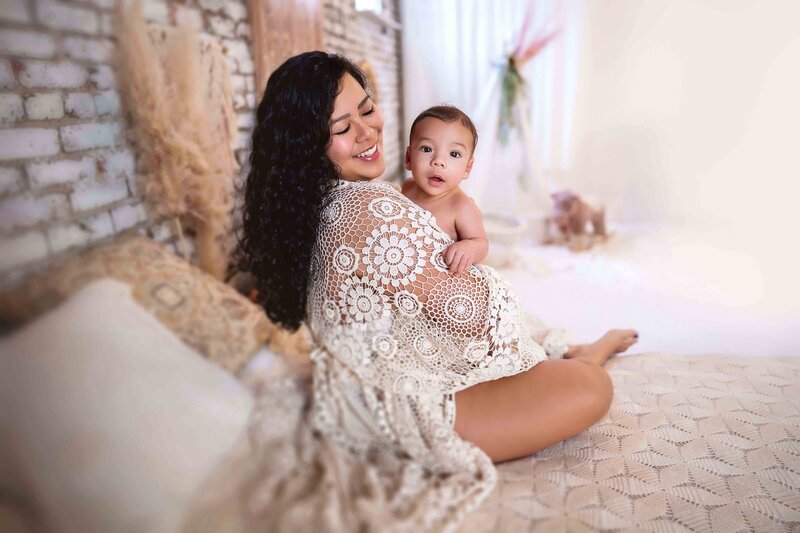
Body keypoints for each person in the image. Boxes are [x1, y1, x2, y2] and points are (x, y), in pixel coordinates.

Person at [223, 51, 639, 531]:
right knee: (589, 388)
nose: (366, 131)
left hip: (363, 384)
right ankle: (586, 357)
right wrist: (472, 281)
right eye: (341, 127)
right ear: (308, 144)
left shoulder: (315, 204)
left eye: (366, 108)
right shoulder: (367, 206)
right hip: (396, 403)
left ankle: (570, 349)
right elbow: (466, 315)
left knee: (529, 345)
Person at [402, 105, 488, 276]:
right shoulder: (407, 187)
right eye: (427, 149)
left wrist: (468, 247)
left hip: (443, 280)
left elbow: (482, 243)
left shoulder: (461, 206)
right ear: (409, 158)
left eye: (454, 154)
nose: (439, 161)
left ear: (467, 168)